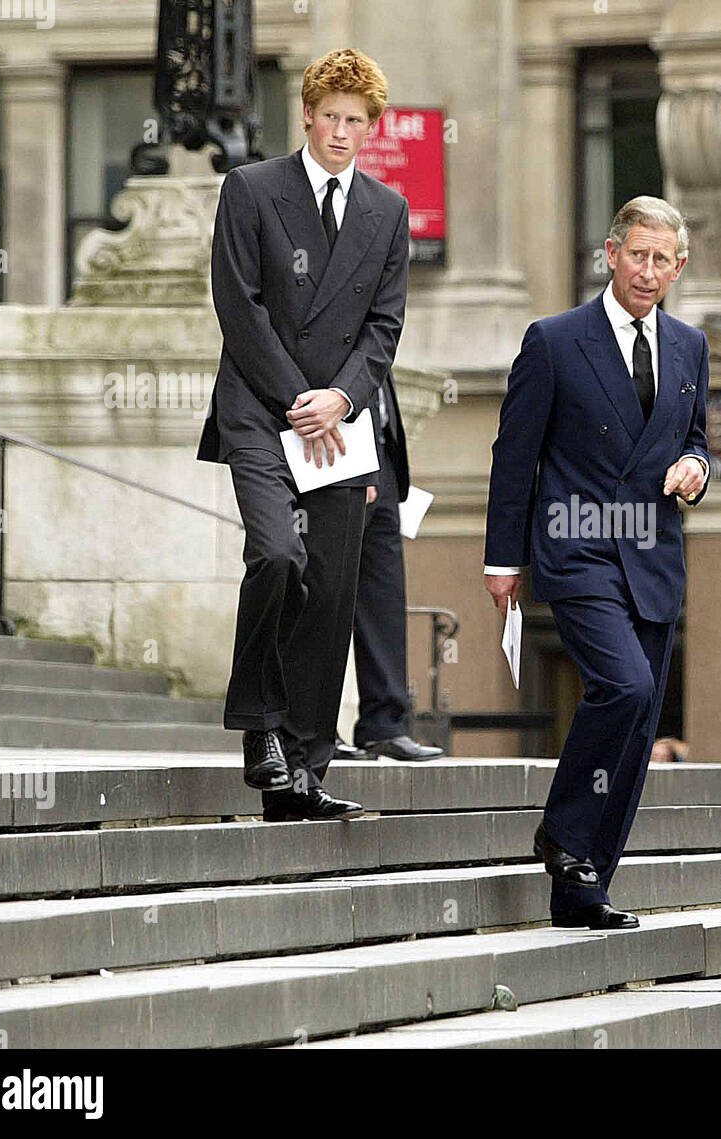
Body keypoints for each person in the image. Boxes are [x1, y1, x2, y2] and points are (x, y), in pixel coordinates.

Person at [483, 196, 710, 931]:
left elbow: (698, 437)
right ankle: (562, 832)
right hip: (577, 545)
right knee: (626, 683)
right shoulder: (553, 340)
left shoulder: (689, 347)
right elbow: (514, 456)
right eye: (636, 255)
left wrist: (695, 467)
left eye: (662, 260)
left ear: (679, 266)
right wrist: (501, 558)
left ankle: (584, 882)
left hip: (653, 552)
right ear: (610, 254)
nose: (648, 272)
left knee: (641, 719)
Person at [197, 48, 411, 820]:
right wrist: (302, 397)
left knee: (335, 587)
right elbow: (239, 305)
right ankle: (259, 725)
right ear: (309, 116)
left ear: (370, 128)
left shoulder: (387, 211)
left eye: (356, 121)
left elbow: (385, 325)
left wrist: (344, 398)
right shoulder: (251, 189)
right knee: (278, 554)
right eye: (331, 117)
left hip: (340, 421)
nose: (342, 132)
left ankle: (306, 767)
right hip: (260, 407)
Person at [336, 365, 444, 763]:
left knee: (383, 596)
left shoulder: (375, 309)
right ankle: (313, 729)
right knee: (324, 594)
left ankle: (384, 725)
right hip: (333, 451)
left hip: (383, 460)